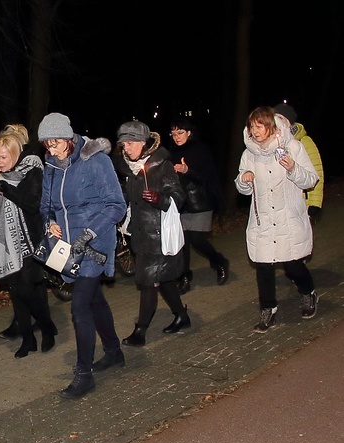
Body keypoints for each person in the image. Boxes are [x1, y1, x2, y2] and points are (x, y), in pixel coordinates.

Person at [37, 112, 127, 399]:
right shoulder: (51, 166)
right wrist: (48, 222)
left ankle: (83, 374)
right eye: (46, 145)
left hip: (94, 243)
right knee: (94, 300)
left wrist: (88, 233)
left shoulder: (95, 160)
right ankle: (114, 352)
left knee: (79, 308)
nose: (50, 150)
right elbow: (45, 207)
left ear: (68, 137)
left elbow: (116, 206)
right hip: (69, 248)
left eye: (55, 143)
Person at [0, 124, 58, 358]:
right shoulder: (1, 176)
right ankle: (28, 339)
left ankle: (47, 328)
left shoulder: (31, 171)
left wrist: (6, 189)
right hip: (7, 245)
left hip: (30, 241)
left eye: (3, 157)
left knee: (29, 291)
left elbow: (32, 204)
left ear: (16, 154)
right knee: (17, 292)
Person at [235, 106, 319, 332]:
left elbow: (311, 180)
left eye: (259, 126)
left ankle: (308, 292)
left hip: (288, 219)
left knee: (293, 266)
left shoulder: (292, 147)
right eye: (251, 127)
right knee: (263, 266)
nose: (255, 131)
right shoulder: (248, 153)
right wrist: (244, 179)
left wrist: (293, 168)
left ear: (271, 126)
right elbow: (241, 188)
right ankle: (268, 309)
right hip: (262, 221)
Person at [113, 121, 191, 347]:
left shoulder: (161, 165)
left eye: (130, 143)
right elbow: (125, 199)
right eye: (123, 144)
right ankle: (182, 316)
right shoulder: (126, 169)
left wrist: (161, 199)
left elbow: (179, 196)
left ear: (142, 142)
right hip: (139, 235)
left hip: (159, 235)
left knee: (148, 282)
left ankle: (141, 331)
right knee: (164, 280)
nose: (126, 148)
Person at [168, 116, 229, 293]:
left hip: (200, 203)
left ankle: (219, 261)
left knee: (197, 240)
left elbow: (208, 179)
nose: (177, 137)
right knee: (182, 243)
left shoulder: (200, 150)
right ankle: (185, 276)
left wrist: (188, 171)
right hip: (179, 205)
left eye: (180, 133)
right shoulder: (170, 153)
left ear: (189, 132)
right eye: (173, 134)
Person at [274, 103, 324, 223]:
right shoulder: (274, 144)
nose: (277, 121)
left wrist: (315, 203)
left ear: (289, 122)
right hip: (283, 205)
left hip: (302, 203)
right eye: (274, 117)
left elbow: (317, 172)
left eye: (280, 118)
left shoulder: (304, 141)